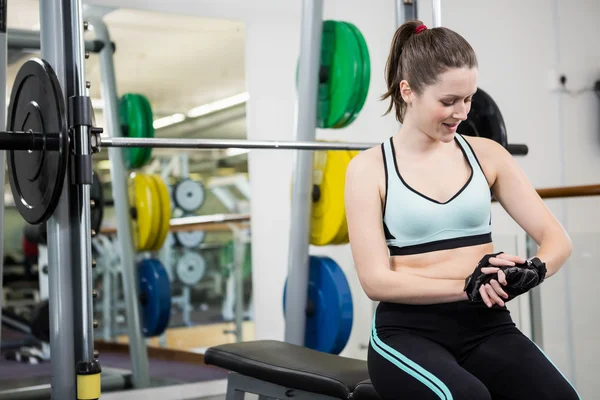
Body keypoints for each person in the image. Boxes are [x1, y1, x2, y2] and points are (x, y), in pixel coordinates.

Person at [344, 20, 581, 400]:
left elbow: (557, 240)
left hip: (488, 327)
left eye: (468, 98)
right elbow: (375, 281)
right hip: (406, 333)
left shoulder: (487, 155)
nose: (462, 112)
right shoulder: (369, 169)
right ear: (408, 91)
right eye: (448, 101)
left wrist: (534, 271)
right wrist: (464, 288)